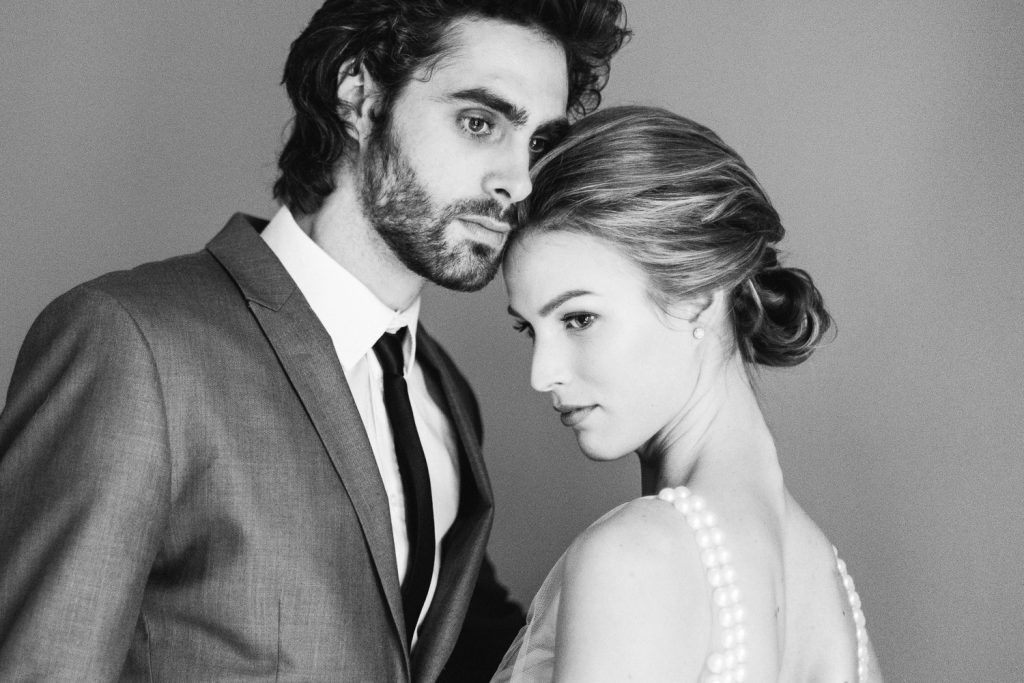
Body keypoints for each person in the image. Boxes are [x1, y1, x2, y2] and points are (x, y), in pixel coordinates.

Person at [0, 2, 628, 680]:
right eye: (480, 122)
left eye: (536, 143)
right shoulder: (133, 344)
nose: (518, 181)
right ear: (358, 94)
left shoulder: (441, 391)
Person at [495, 106, 885, 682]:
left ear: (698, 295)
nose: (541, 374)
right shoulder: (832, 593)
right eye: (531, 330)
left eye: (578, 319)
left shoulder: (636, 556)